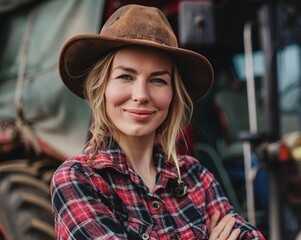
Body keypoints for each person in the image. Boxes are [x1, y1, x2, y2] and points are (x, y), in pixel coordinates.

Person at [50, 4, 265, 240]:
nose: (141, 95)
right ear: (101, 87)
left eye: (158, 80)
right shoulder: (78, 178)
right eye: (125, 76)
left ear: (173, 94)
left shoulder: (196, 176)